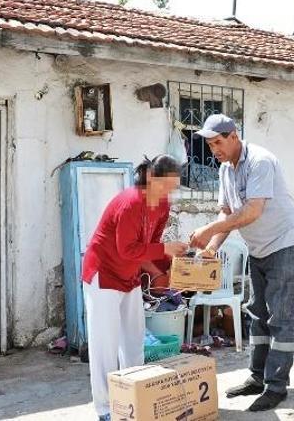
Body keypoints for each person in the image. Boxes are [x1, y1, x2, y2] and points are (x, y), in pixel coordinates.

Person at [189, 114, 294, 412]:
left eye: (218, 142)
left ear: (234, 136)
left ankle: (276, 387)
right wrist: (212, 248)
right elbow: (226, 213)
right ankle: (257, 378)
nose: (214, 149)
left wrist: (207, 232)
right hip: (259, 249)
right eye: (210, 144)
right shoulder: (225, 170)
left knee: (282, 317)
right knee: (257, 313)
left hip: (284, 244)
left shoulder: (260, 161)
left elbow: (252, 211)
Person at [81, 155, 189, 421]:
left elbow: (149, 248)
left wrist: (172, 266)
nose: (169, 193)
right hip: (103, 274)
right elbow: (127, 249)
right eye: (166, 185)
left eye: (174, 187)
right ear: (151, 178)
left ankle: (134, 396)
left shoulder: (162, 204)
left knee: (133, 337)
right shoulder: (130, 202)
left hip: (129, 275)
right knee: (104, 343)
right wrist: (165, 251)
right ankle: (105, 408)